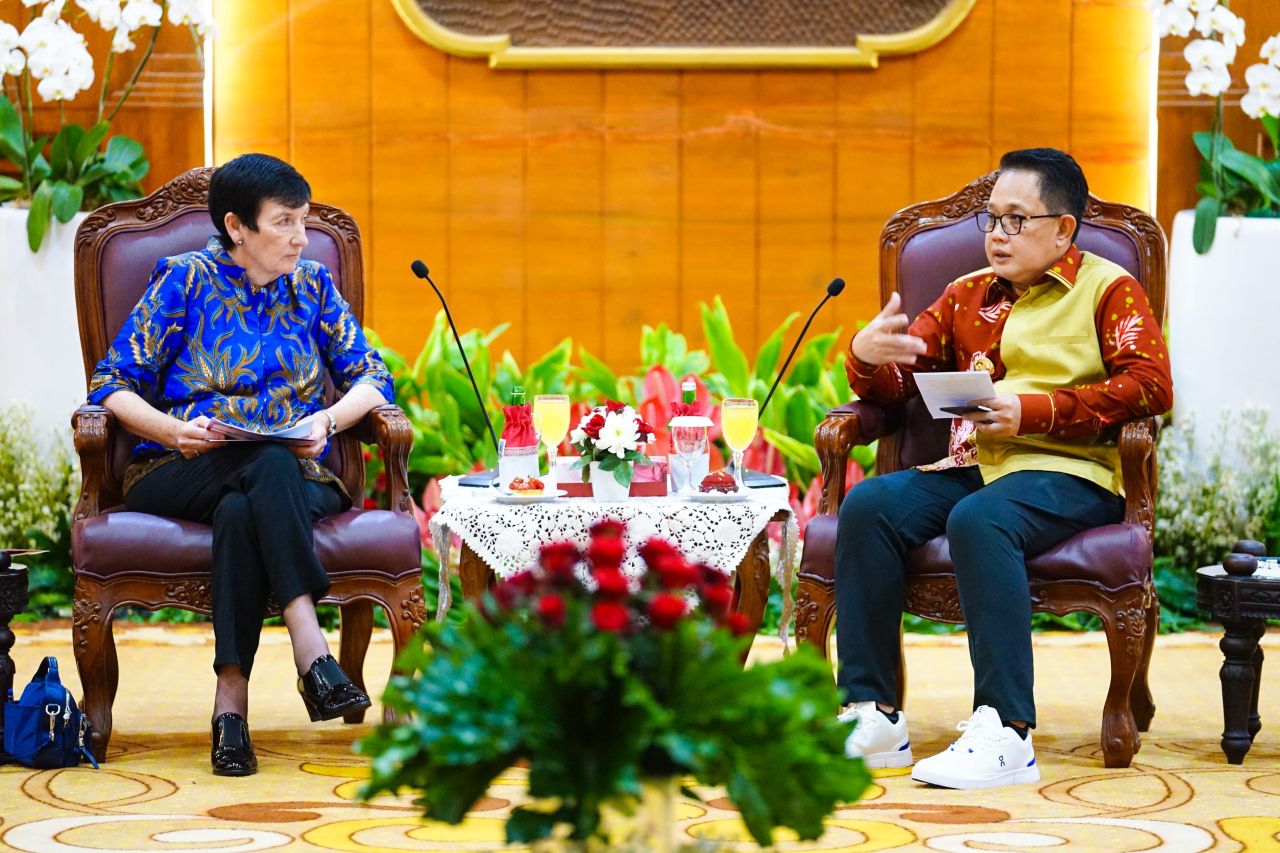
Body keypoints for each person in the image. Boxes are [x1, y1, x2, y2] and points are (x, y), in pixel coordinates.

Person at [834, 148, 1172, 789]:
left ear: (1063, 228)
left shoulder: (1109, 289)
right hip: (975, 465)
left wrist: (1035, 411)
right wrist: (868, 356)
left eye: (1017, 220)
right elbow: (898, 386)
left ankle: (1006, 730)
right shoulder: (966, 294)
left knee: (980, 519)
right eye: (992, 219)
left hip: (1072, 471)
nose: (996, 234)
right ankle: (873, 714)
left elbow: (1152, 386)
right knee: (870, 505)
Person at [87, 153, 396, 777]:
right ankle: (310, 647)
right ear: (236, 226)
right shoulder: (184, 280)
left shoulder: (313, 285)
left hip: (300, 476)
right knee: (263, 464)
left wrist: (327, 422)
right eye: (284, 222)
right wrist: (173, 431)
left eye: (303, 221)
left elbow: (373, 377)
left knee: (247, 499)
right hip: (181, 468)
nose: (301, 238)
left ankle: (230, 705)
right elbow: (111, 384)